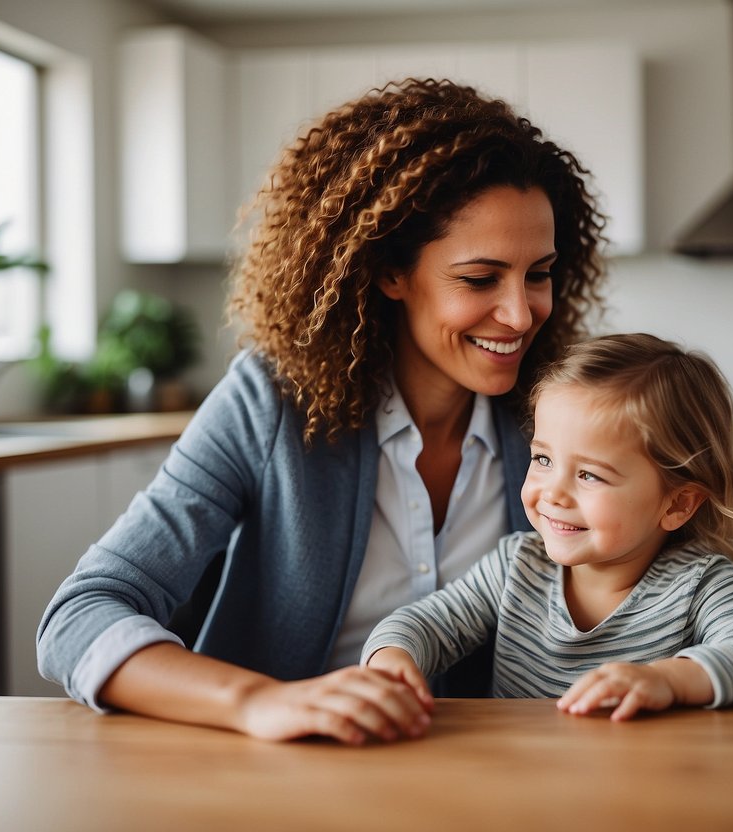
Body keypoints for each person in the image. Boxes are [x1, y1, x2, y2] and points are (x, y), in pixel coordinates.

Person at [36, 78, 607, 745]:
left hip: (494, 773)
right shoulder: (270, 401)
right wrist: (255, 702)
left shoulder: (564, 412)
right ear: (390, 273)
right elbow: (79, 615)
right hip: (281, 776)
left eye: (538, 273)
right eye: (479, 279)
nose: (519, 313)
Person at [364, 333, 733, 720]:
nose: (553, 493)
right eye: (543, 459)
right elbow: (423, 624)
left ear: (677, 504)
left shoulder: (698, 584)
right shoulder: (516, 566)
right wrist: (391, 660)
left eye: (589, 475)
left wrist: (669, 680)